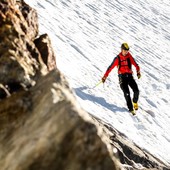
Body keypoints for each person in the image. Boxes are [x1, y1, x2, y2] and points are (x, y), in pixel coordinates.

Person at [101, 43, 141, 115]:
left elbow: (136, 65)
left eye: (127, 50)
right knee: (127, 93)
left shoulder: (129, 56)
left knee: (136, 91)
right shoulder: (117, 58)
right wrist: (105, 77)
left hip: (129, 76)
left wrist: (138, 72)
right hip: (122, 78)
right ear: (122, 50)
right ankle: (131, 109)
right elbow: (110, 68)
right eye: (125, 50)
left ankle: (135, 101)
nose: (126, 52)